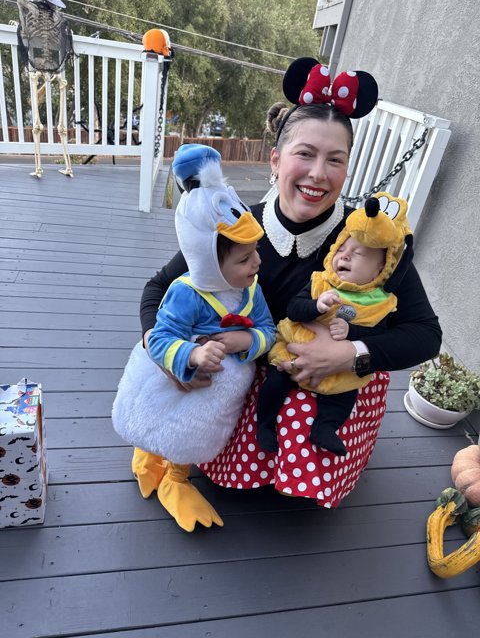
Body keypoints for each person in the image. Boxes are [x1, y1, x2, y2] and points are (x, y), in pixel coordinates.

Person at [136, 57, 442, 530]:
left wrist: (348, 354)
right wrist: (166, 358)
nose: (318, 173)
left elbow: (425, 334)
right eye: (305, 154)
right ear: (276, 160)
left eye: (335, 159)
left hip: (324, 381)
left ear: (347, 168)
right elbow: (158, 289)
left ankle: (311, 463)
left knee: (316, 396)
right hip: (244, 361)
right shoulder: (237, 225)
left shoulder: (367, 241)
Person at [112, 144, 276, 530]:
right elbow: (165, 335)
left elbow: (267, 329)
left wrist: (243, 343)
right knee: (158, 418)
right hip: (182, 372)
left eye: (256, 252)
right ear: (209, 263)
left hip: (220, 382)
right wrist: (190, 356)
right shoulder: (187, 293)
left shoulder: (252, 288)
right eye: (244, 258)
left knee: (188, 434)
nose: (257, 263)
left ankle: (176, 478)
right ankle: (148, 456)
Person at [256, 193, 412, 456]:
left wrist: (352, 332)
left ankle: (324, 429)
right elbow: (293, 310)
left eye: (358, 254)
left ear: (380, 270)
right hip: (295, 350)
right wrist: (315, 306)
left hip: (342, 367)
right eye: (342, 249)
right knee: (275, 381)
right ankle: (264, 424)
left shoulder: (379, 302)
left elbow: (380, 332)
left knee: (345, 394)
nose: (345, 257)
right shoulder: (320, 282)